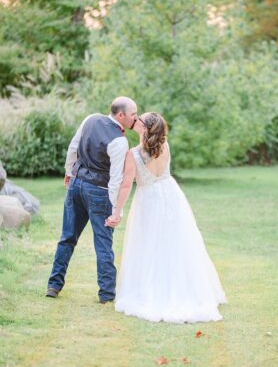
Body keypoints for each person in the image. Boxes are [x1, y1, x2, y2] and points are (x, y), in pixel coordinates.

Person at [109, 112, 227, 323]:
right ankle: (184, 288)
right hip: (171, 196)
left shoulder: (133, 154)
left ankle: (154, 290)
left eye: (139, 120)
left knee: (149, 244)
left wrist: (116, 211)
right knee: (176, 242)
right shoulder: (165, 146)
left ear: (145, 128)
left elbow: (126, 185)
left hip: (148, 199)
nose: (135, 121)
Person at [46, 97, 138, 303]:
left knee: (67, 237)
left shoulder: (90, 119)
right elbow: (116, 180)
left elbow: (73, 148)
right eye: (133, 114)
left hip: (76, 186)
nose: (136, 118)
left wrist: (69, 172)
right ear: (120, 115)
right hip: (99, 192)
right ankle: (106, 294)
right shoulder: (119, 141)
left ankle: (54, 285)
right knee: (103, 243)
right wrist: (117, 210)